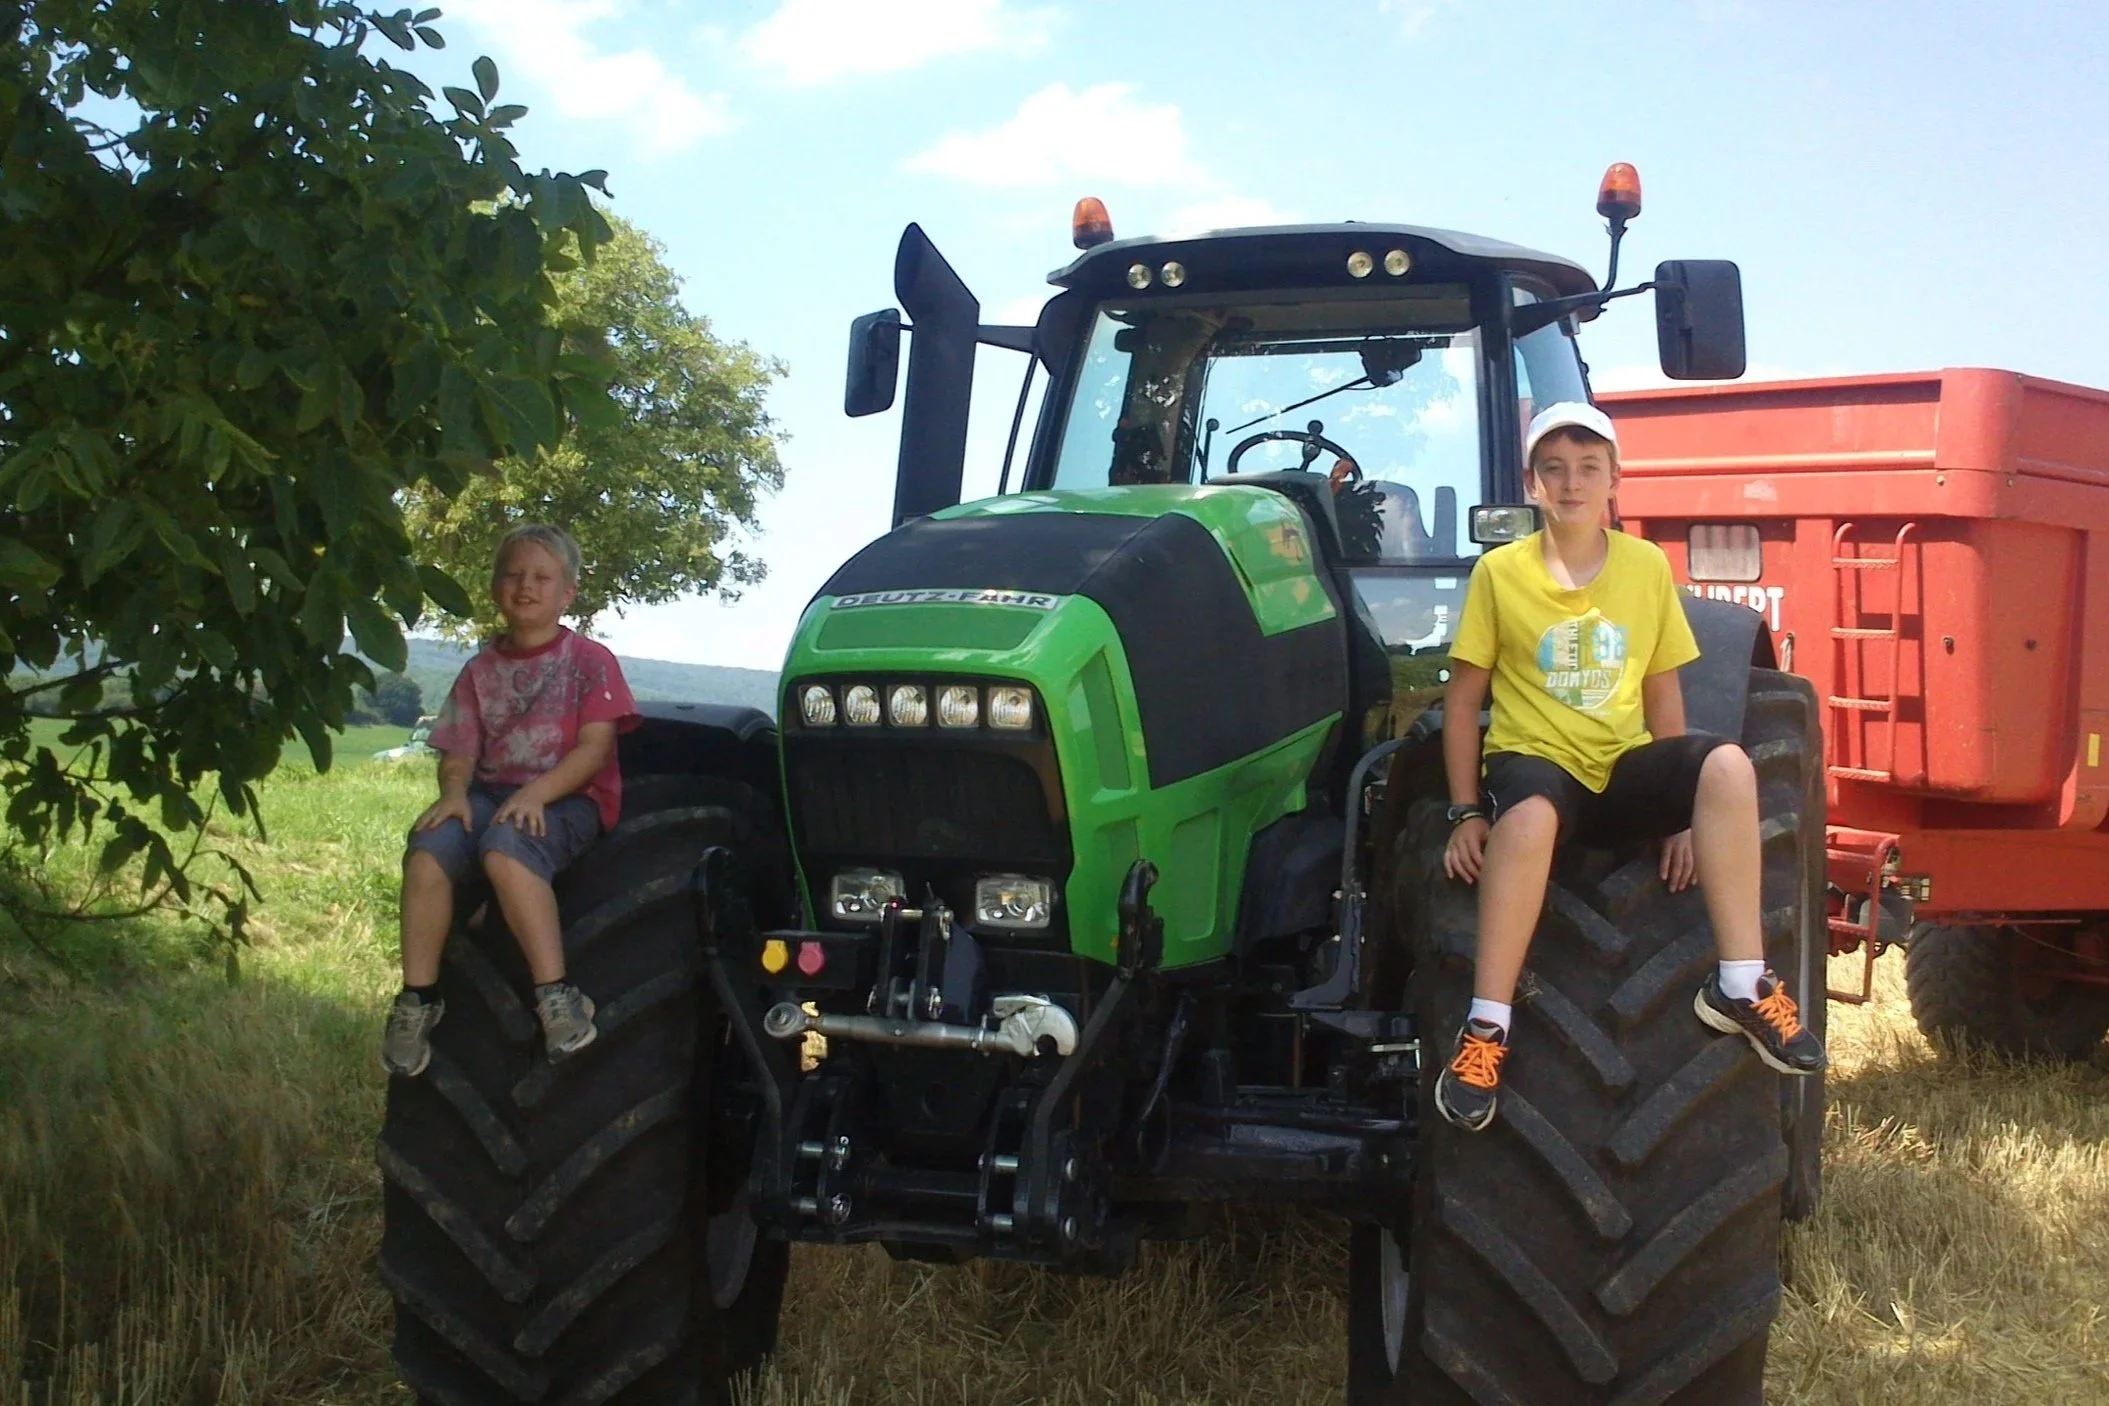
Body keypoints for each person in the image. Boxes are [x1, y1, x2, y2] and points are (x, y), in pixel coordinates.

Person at [1432, 403, 1824, 1132]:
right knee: (1529, 817)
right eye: (1554, 469)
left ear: (1615, 480)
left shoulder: (1644, 568)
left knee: (1729, 766)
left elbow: (1660, 688)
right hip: (1534, 761)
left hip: (1615, 765)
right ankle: (1485, 1028)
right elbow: (1462, 704)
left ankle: (1739, 982)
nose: (1571, 484)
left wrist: (1679, 813)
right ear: (1532, 483)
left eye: (1587, 469)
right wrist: (1463, 811)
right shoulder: (1498, 573)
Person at [380, 524, 640, 1078]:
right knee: (428, 849)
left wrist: (535, 793)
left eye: (542, 578)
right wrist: (452, 795)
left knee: (505, 849)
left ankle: (557, 995)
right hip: (488, 794)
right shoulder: (479, 671)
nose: (526, 587)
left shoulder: (590, 662)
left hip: (568, 796)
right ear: (497, 586)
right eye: (514, 575)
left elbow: (594, 751)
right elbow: (457, 752)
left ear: (567, 593)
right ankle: (418, 1000)